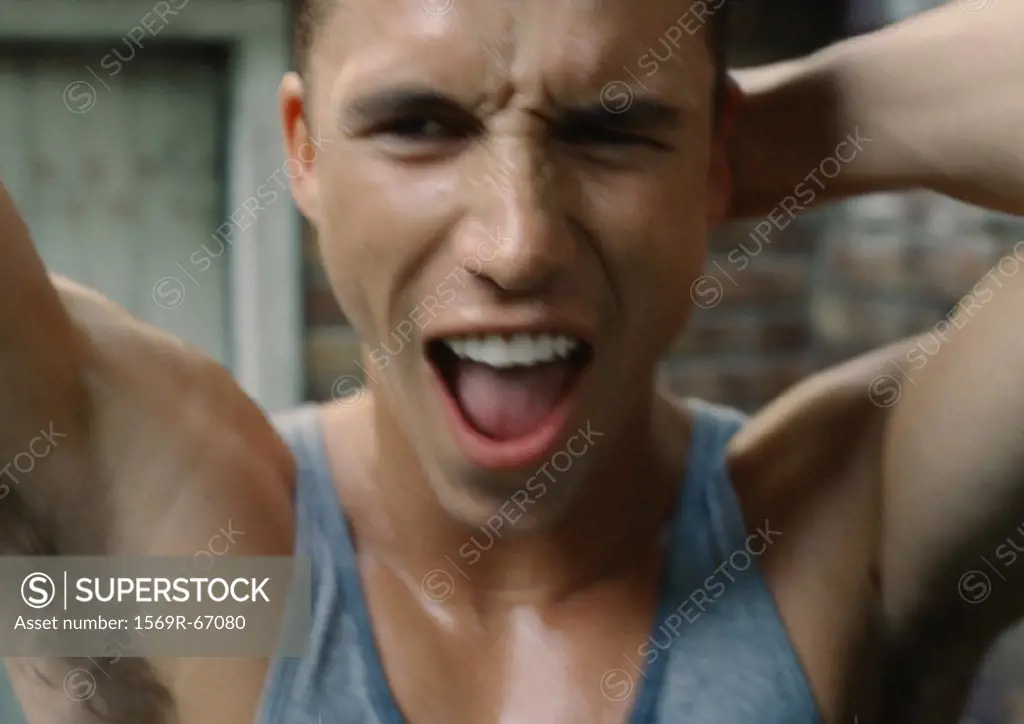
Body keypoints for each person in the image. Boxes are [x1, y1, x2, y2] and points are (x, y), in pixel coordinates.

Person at [1, 0, 1022, 722]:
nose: (517, 240)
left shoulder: (835, 532)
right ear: (303, 151)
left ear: (715, 156)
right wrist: (662, 130)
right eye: (418, 125)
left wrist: (745, 135)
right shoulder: (205, 567)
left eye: (607, 129)